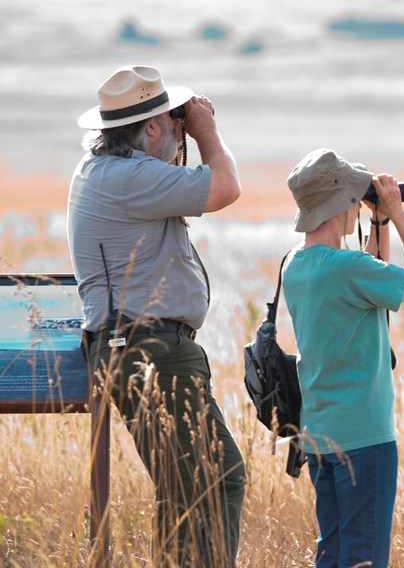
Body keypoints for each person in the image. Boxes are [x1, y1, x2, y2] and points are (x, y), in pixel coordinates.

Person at [67, 65, 245, 567]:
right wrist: (206, 130)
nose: (180, 130)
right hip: (151, 350)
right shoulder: (131, 176)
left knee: (185, 493)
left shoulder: (102, 173)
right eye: (173, 121)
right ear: (150, 128)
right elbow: (226, 186)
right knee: (215, 479)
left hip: (139, 347)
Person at [282, 148, 404, 568]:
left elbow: (367, 275)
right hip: (365, 439)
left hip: (320, 435)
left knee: (333, 554)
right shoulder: (348, 268)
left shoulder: (295, 265)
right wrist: (396, 211)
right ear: (342, 204)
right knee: (364, 559)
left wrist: (378, 220)